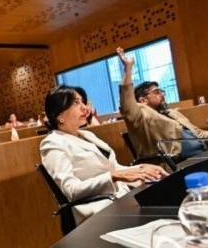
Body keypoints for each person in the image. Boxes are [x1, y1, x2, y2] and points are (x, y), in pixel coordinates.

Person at [40, 85, 167, 224]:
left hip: (122, 197)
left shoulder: (87, 135)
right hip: (98, 210)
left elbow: (114, 168)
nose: (85, 108)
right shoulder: (52, 143)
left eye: (83, 102)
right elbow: (71, 190)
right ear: (59, 115)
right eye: (76, 103)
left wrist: (141, 169)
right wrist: (111, 176)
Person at [116, 47, 208, 161]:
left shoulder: (172, 113)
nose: (162, 95)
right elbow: (127, 105)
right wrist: (128, 68)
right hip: (178, 163)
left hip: (203, 155)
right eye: (156, 92)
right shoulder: (141, 118)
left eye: (161, 91)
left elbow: (199, 134)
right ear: (143, 100)